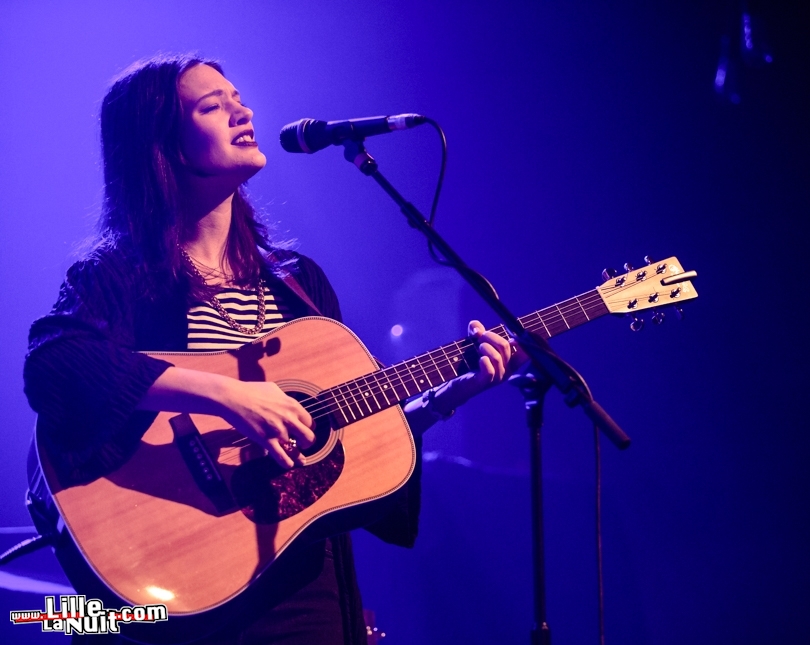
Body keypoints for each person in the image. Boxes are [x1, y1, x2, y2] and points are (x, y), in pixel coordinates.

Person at [23, 53, 520, 644]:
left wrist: (445, 397)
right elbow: (56, 364)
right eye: (212, 106)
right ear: (160, 145)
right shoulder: (120, 273)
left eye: (237, 97)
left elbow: (345, 442)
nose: (243, 111)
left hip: (304, 590)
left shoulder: (297, 282)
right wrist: (228, 396)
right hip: (186, 576)